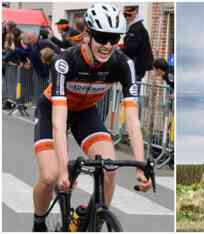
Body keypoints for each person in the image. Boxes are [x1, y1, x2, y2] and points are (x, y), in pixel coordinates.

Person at [32, 4, 151, 231]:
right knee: (50, 176)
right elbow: (59, 122)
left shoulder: (123, 64)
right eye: (102, 38)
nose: (108, 46)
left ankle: (93, 221)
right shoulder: (64, 61)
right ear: (87, 35)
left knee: (109, 166)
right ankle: (38, 222)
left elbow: (133, 120)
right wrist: (64, 173)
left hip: (85, 112)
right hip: (52, 111)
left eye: (114, 39)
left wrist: (141, 165)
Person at [121, 5, 153, 82]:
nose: (126, 17)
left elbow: (130, 49)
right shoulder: (135, 27)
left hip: (136, 66)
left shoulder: (136, 28)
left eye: (129, 15)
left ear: (136, 13)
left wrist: (117, 51)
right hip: (136, 66)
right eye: (125, 15)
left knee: (132, 90)